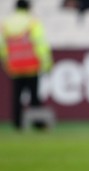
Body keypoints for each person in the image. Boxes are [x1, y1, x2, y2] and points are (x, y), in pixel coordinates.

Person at [0, 0, 53, 130]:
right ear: (28, 8)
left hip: (15, 65)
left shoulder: (6, 23)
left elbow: (3, 45)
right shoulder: (32, 22)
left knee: (16, 96)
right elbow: (40, 43)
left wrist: (6, 61)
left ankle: (17, 123)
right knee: (34, 95)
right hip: (31, 64)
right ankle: (38, 123)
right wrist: (47, 63)